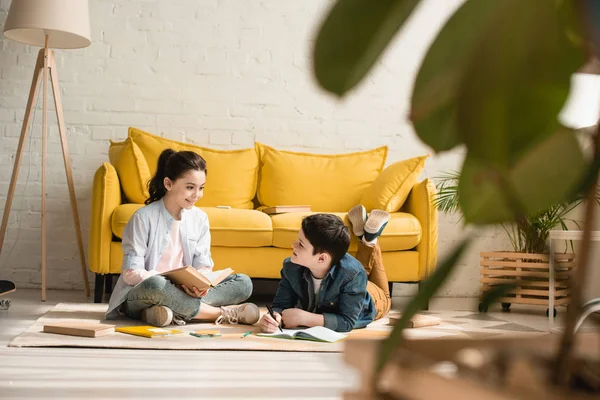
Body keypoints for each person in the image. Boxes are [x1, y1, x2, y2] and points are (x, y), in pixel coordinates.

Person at [106, 149, 260, 327]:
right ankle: (219, 313)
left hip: (187, 291)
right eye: (190, 187)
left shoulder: (200, 218)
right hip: (146, 291)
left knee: (243, 282)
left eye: (201, 188)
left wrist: (199, 286)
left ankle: (163, 313)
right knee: (156, 285)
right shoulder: (142, 218)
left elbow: (203, 265)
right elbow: (131, 274)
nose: (197, 194)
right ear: (168, 184)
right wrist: (172, 285)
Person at [258, 206, 391, 333]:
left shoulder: (354, 274)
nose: (293, 245)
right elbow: (280, 305)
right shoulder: (291, 267)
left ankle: (370, 240)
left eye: (301, 244)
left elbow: (347, 321)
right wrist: (273, 318)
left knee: (383, 294)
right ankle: (368, 238)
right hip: (349, 280)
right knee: (356, 270)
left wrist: (305, 318)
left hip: (373, 298)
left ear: (321, 259)